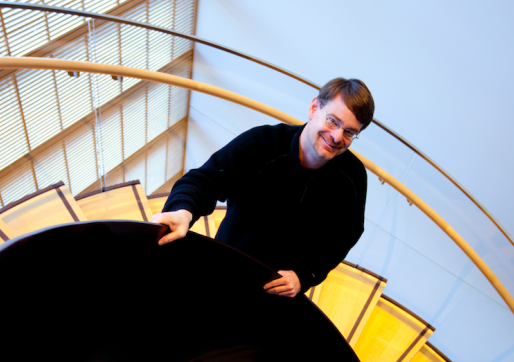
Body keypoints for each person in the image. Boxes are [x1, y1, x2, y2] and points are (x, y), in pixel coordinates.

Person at [152, 78, 374, 298]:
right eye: (333, 121)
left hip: (277, 292)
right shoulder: (263, 144)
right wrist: (183, 210)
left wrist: (304, 275)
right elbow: (205, 179)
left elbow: (346, 235)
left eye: (349, 132)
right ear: (314, 107)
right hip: (224, 267)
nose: (337, 137)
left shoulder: (352, 177)